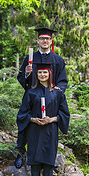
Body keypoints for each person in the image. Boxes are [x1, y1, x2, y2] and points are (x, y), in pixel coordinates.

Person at [17, 63, 70, 176]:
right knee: (34, 165)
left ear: (49, 74)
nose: (42, 75)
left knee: (48, 164)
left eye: (45, 73)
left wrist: (51, 119)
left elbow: (65, 114)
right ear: (36, 74)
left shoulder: (57, 92)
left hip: (50, 131)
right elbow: (22, 114)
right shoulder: (30, 93)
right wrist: (33, 119)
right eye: (40, 73)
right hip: (34, 131)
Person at [15, 27, 68, 168]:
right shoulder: (30, 58)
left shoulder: (58, 60)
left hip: (51, 98)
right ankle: (20, 153)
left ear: (51, 41)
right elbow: (21, 78)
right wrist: (26, 74)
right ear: (37, 41)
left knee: (49, 127)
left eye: (47, 39)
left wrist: (58, 91)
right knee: (26, 122)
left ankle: (49, 158)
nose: (45, 41)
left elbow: (63, 80)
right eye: (42, 38)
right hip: (32, 96)